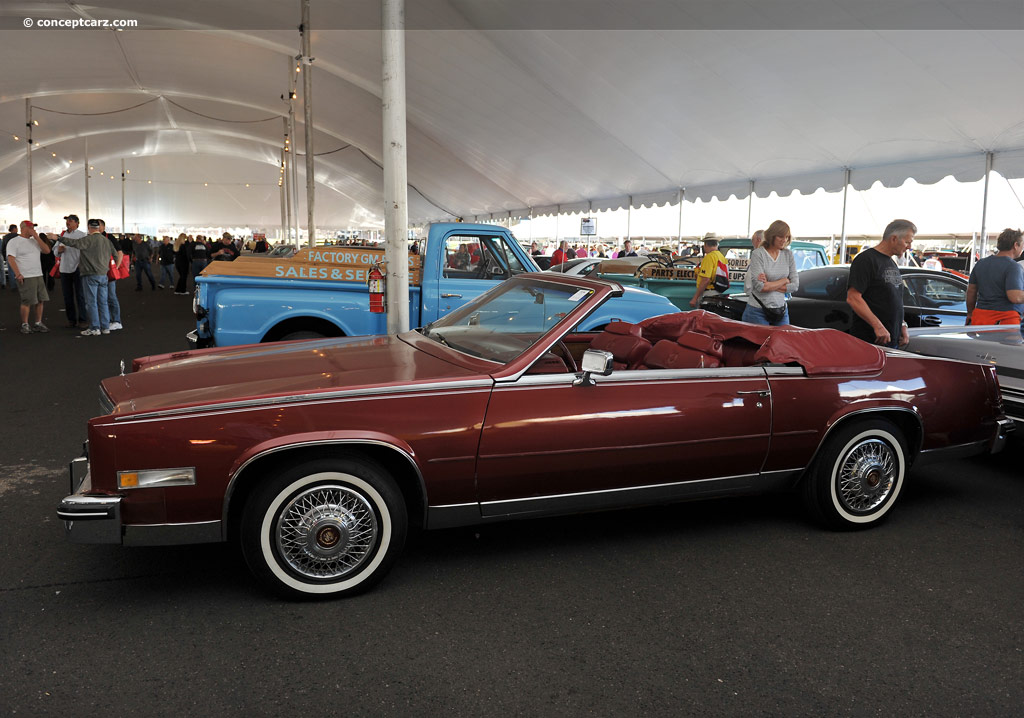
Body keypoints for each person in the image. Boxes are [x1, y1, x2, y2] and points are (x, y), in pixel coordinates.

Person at [846, 219, 917, 348]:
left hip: (891, 340)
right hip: (870, 341)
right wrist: (877, 326)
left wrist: (902, 324)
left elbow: (892, 298)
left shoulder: (891, 262)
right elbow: (853, 297)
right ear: (894, 238)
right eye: (907, 242)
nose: (909, 247)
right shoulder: (866, 260)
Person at [56, 218, 118, 335]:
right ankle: (105, 327)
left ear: (89, 228)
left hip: (89, 274)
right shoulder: (106, 241)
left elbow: (73, 243)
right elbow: (115, 255)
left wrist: (59, 238)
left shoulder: (87, 240)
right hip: (103, 275)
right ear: (99, 228)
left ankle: (95, 327)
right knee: (103, 302)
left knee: (91, 302)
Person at [742, 220, 799, 326]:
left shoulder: (788, 255)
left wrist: (769, 284)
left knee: (783, 341)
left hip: (781, 310)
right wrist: (784, 280)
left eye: (786, 237)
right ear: (772, 236)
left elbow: (795, 286)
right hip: (757, 310)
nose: (784, 240)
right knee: (761, 342)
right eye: (781, 237)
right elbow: (760, 287)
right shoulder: (758, 254)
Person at [966, 228, 1024, 326]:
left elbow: (971, 291)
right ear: (1015, 245)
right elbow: (1015, 297)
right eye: (1022, 245)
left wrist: (970, 313)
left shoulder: (981, 264)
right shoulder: (1013, 266)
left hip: (980, 318)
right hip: (1005, 321)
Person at [7, 221, 52, 333]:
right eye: (31, 227)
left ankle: (38, 322)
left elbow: (47, 250)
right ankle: (25, 324)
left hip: (38, 274)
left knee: (41, 300)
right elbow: (11, 258)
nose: (33, 229)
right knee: (27, 300)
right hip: (26, 275)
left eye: (33, 227)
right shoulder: (14, 242)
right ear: (24, 228)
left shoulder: (35, 241)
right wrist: (18, 273)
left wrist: (36, 237)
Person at [56, 214, 87, 327]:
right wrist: (58, 250)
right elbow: (54, 251)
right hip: (64, 269)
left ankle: (83, 319)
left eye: (70, 220)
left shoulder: (82, 235)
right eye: (67, 221)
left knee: (80, 295)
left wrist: (82, 264)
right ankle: (71, 320)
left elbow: (86, 251)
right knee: (67, 296)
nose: (68, 222)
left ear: (77, 223)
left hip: (78, 268)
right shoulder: (62, 235)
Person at [689, 234, 727, 308]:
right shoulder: (721, 257)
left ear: (705, 244)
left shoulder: (709, 257)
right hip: (717, 293)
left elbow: (706, 279)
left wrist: (695, 298)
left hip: (708, 294)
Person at [99, 221, 124, 330]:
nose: (95, 227)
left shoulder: (109, 237)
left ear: (103, 227)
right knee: (101, 297)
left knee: (111, 296)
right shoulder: (91, 237)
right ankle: (106, 320)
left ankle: (116, 320)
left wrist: (116, 268)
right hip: (97, 271)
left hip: (108, 271)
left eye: (98, 225)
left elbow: (119, 252)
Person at [743, 229, 766, 294]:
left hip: (754, 295)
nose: (752, 242)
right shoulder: (769, 254)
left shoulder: (758, 255)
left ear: (758, 240)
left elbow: (751, 279)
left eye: (753, 240)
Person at [2, 223, 18, 289]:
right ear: (14, 229)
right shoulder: (18, 236)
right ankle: (20, 285)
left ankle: (13, 286)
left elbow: (3, 247)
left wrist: (4, 256)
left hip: (9, 255)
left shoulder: (5, 237)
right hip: (18, 255)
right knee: (19, 270)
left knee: (11, 271)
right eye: (17, 228)